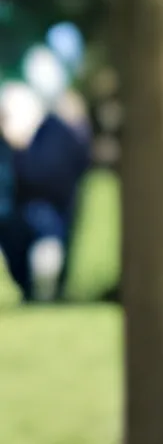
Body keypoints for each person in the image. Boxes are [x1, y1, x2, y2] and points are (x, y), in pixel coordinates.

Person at [0, 74, 91, 304]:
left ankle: (45, 292)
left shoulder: (52, 133)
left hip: (49, 211)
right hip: (16, 214)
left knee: (46, 244)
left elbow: (54, 173)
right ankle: (32, 291)